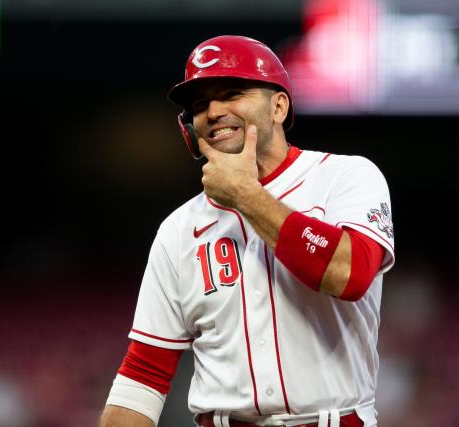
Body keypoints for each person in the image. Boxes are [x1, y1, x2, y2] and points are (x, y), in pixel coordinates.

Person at [99, 35, 395, 427]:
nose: (213, 111)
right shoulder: (178, 230)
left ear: (278, 105)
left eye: (231, 93)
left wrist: (244, 194)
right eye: (200, 105)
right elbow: (143, 375)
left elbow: (349, 273)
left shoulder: (345, 177)